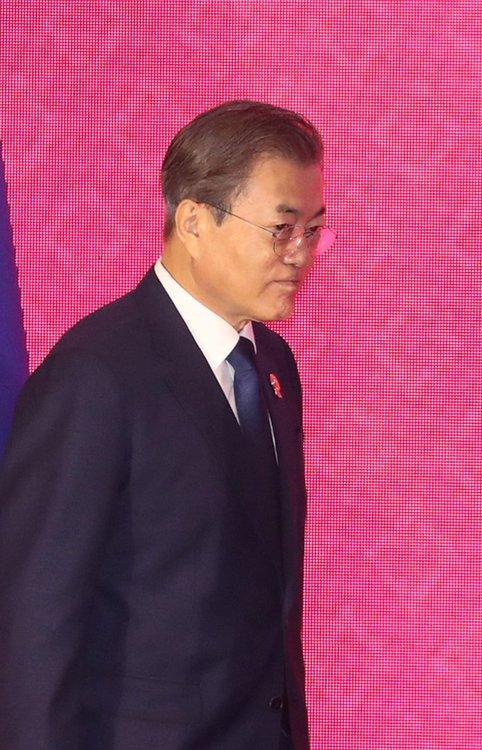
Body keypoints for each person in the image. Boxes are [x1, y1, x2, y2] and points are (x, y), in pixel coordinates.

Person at [0, 100, 332, 749]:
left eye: (314, 230)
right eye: (280, 229)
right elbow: (35, 628)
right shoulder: (95, 377)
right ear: (193, 221)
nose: (300, 254)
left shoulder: (272, 365)